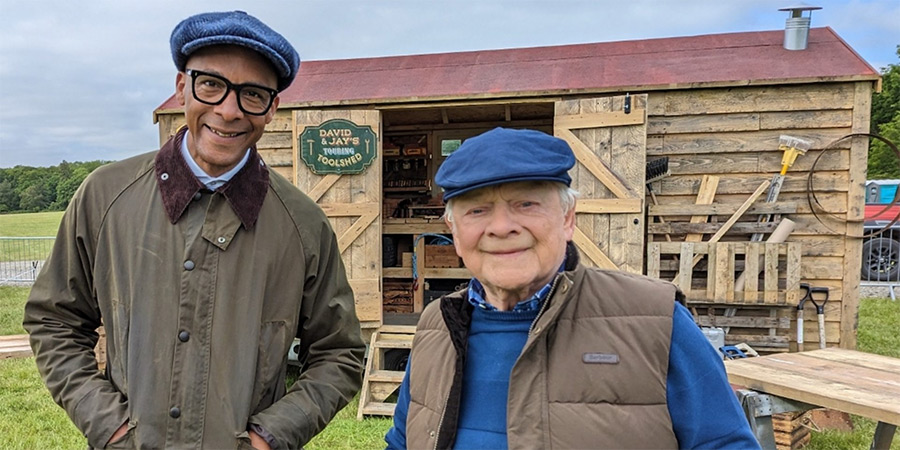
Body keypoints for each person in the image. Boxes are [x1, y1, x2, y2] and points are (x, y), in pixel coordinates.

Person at [23, 11, 365, 449]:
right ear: (182, 86)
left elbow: (340, 352)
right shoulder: (104, 197)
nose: (228, 110)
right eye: (211, 85)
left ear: (273, 108)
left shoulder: (303, 224)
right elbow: (54, 318)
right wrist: (108, 425)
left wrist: (269, 436)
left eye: (253, 94)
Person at [384, 127, 760, 449]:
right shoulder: (437, 326)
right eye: (477, 211)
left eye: (526, 203)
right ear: (454, 231)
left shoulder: (654, 320)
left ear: (567, 219)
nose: (501, 227)